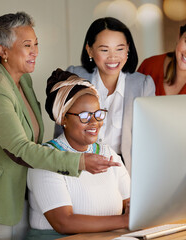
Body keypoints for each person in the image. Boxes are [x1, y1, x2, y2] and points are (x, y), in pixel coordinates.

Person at [0, 12, 119, 240]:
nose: (35, 51)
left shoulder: (22, 80)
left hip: (23, 198)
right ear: (3, 51)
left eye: (36, 44)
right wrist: (79, 161)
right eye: (27, 45)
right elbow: (20, 148)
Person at [26, 69, 130, 240]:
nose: (94, 122)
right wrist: (124, 221)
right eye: (84, 116)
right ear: (63, 119)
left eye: (98, 114)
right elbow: (64, 222)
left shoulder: (107, 152)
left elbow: (131, 202)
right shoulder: (45, 159)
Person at [55, 17, 155, 173]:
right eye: (104, 49)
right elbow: (61, 131)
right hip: (80, 165)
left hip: (124, 170)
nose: (113, 57)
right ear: (90, 50)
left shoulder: (143, 85)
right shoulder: (74, 76)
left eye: (120, 49)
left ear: (128, 49)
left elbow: (149, 141)